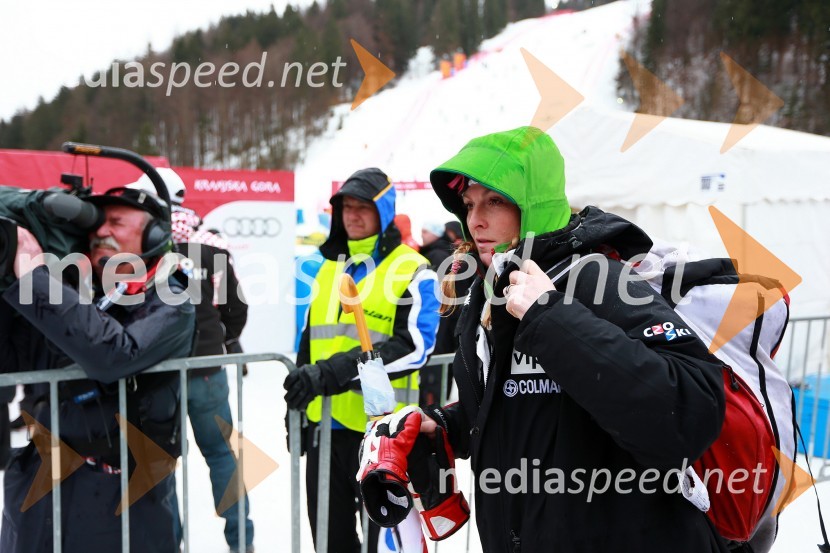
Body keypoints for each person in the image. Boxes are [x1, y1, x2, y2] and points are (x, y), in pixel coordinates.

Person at [416, 126, 728, 552]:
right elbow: (521, 408)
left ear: (535, 204)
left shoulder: (597, 278)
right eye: (468, 204)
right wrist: (446, 427)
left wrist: (550, 316)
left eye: (495, 201)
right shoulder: (486, 293)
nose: (475, 220)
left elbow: (691, 409)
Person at [0, 185, 195, 552]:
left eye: (116, 222)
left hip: (119, 497)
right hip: (40, 486)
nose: (100, 232)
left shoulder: (171, 300)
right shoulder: (72, 294)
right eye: (95, 225)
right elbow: (10, 359)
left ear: (154, 235)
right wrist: (8, 284)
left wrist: (34, 279)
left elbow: (114, 355)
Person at [283, 168, 440, 553]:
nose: (352, 216)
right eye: (346, 208)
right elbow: (310, 345)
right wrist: (296, 411)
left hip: (386, 434)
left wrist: (333, 373)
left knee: (384, 542)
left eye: (362, 208)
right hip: (326, 428)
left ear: (383, 212)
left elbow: (414, 346)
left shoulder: (412, 269)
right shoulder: (327, 268)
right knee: (329, 538)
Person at [129, 170, 255, 553]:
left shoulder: (139, 246)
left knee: (159, 464)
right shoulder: (210, 246)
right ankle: (242, 542)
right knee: (221, 456)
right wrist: (223, 339)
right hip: (207, 372)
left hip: (158, 374)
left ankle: (167, 545)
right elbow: (236, 308)